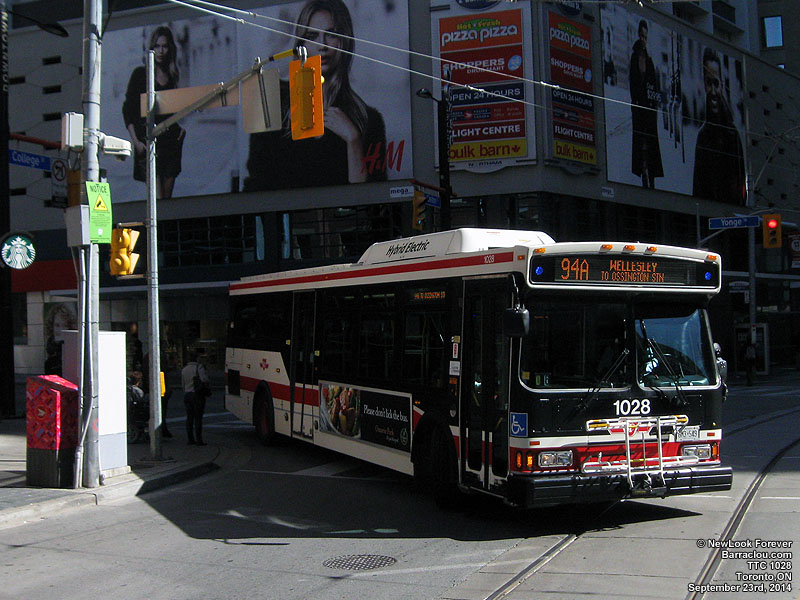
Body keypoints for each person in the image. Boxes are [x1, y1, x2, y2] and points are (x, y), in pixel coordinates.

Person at [242, 0, 387, 191]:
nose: (322, 46)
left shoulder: (368, 120)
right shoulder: (272, 104)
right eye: (312, 36)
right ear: (300, 44)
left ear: (345, 41)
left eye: (331, 34)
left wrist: (354, 141)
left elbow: (371, 200)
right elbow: (256, 187)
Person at [122, 25, 186, 199]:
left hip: (171, 143)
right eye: (157, 46)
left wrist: (180, 132)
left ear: (170, 48)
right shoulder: (140, 74)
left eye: (164, 46)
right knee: (157, 200)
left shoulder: (172, 75)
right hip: (149, 143)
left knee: (167, 199)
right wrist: (136, 142)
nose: (161, 51)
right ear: (151, 48)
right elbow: (128, 110)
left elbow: (173, 110)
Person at [692, 47, 746, 204]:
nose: (713, 91)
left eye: (716, 83)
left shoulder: (732, 134)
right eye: (709, 83)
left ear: (722, 84)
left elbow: (741, 184)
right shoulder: (702, 136)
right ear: (703, 84)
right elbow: (697, 190)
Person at [629, 19, 663, 189]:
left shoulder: (649, 60)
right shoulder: (634, 57)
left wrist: (654, 102)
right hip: (639, 107)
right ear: (638, 35)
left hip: (649, 108)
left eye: (645, 37)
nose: (643, 39)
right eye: (641, 36)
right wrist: (635, 101)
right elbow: (632, 82)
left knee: (651, 143)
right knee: (641, 142)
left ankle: (652, 176)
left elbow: (654, 84)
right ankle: (644, 174)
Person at [181, 352, 209, 445]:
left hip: (187, 394)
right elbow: (204, 379)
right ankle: (199, 439)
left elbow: (183, 384)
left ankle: (190, 439)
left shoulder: (184, 369)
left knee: (189, 417)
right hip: (197, 394)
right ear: (196, 358)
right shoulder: (199, 367)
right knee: (198, 417)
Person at [43, 303, 78, 376]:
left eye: (64, 325)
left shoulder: (72, 349)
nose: (61, 330)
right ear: (52, 326)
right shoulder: (50, 347)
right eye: (57, 325)